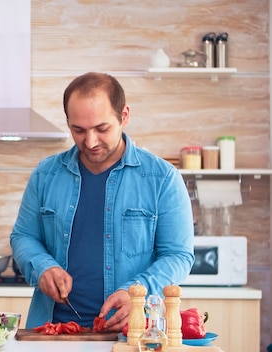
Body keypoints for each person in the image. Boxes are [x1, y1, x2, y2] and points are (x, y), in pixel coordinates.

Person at [10, 72, 194, 333]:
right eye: (79, 130)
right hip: (51, 332)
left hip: (133, 333)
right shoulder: (45, 174)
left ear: (124, 116)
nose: (91, 141)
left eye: (102, 128)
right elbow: (23, 236)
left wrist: (136, 294)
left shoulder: (161, 178)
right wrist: (42, 267)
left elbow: (178, 255)